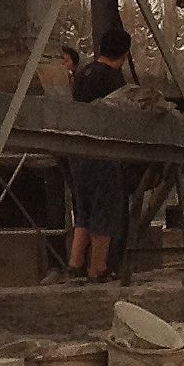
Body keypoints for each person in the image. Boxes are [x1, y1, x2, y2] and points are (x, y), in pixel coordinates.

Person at [63, 27, 135, 279]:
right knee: (105, 208)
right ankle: (98, 267)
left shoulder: (83, 74)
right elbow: (125, 116)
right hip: (103, 152)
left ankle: (75, 263)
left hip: (78, 152)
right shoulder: (113, 79)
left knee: (84, 208)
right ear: (124, 54)